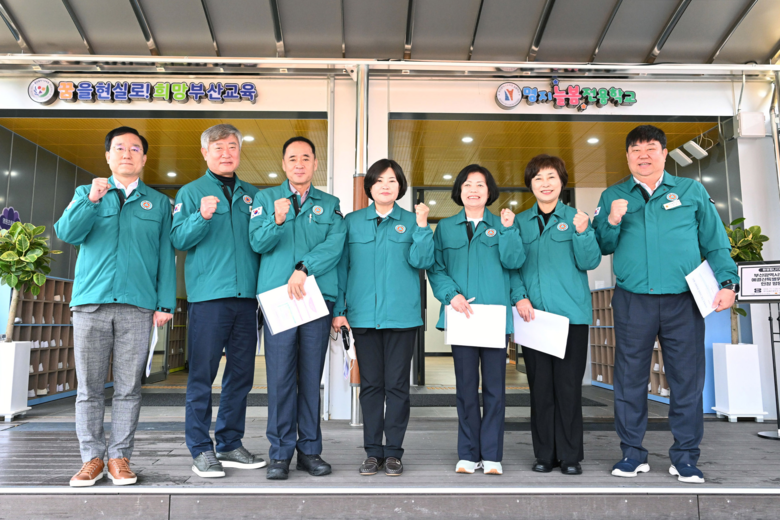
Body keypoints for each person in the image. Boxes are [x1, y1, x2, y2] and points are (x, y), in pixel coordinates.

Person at [592, 125, 738, 484]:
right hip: (633, 301)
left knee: (687, 379)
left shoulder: (690, 190)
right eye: (636, 150)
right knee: (629, 380)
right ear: (627, 156)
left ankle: (685, 457)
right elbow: (602, 245)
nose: (643, 155)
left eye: (651, 148)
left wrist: (728, 282)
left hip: (683, 301)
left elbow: (715, 241)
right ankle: (632, 453)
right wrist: (612, 220)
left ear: (664, 153)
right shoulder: (613, 195)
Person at [55, 127, 176, 487]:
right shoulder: (87, 193)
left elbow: (165, 256)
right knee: (89, 388)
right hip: (90, 304)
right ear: (108, 156)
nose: (127, 153)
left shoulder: (159, 203)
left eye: (135, 149)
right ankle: (91, 458)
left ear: (144, 158)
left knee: (128, 388)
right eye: (119, 148)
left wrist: (165, 303)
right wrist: (91, 200)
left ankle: (119, 457)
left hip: (137, 306)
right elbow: (66, 233)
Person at [171, 124, 265, 478]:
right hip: (209, 299)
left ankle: (229, 443)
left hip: (247, 300)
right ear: (205, 153)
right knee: (202, 375)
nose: (226, 153)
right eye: (218, 147)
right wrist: (202, 216)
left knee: (241, 376)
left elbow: (263, 242)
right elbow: (178, 238)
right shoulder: (191, 192)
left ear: (240, 151)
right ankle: (200, 448)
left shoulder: (253, 195)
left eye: (232, 147)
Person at [249, 136, 346, 480]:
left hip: (314, 299)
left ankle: (309, 451)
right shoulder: (265, 199)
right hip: (278, 300)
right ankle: (279, 454)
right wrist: (276, 221)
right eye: (292, 158)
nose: (299, 164)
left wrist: (304, 268)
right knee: (279, 379)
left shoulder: (330, 204)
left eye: (306, 158)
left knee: (309, 377)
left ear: (315, 164)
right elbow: (257, 242)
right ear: (283, 164)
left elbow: (335, 246)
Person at [332, 159, 434, 477]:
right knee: (371, 386)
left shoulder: (413, 221)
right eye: (379, 181)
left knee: (398, 387)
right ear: (370, 187)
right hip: (363, 317)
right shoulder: (352, 222)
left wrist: (422, 227)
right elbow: (342, 268)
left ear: (400, 186)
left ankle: (394, 453)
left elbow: (422, 260)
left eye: (392, 180)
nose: (385, 186)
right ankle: (373, 452)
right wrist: (339, 311)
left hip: (402, 318)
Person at [427, 164, 525, 476]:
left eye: (480, 184)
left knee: (495, 389)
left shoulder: (503, 224)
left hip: (494, 319)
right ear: (459, 190)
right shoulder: (445, 228)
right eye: (467, 184)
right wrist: (450, 295)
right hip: (462, 317)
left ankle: (492, 454)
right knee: (466, 388)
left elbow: (514, 263)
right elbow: (436, 268)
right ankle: (468, 454)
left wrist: (508, 231)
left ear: (489, 191)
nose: (473, 190)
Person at [513, 154, 601, 475]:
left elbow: (589, 261)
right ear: (530, 185)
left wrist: (583, 232)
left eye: (551, 177)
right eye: (538, 178)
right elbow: (512, 266)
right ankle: (544, 455)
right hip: (533, 319)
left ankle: (570, 456)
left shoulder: (577, 218)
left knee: (568, 388)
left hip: (570, 318)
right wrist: (519, 297)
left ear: (562, 182)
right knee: (540, 389)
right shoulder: (520, 222)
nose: (545, 184)